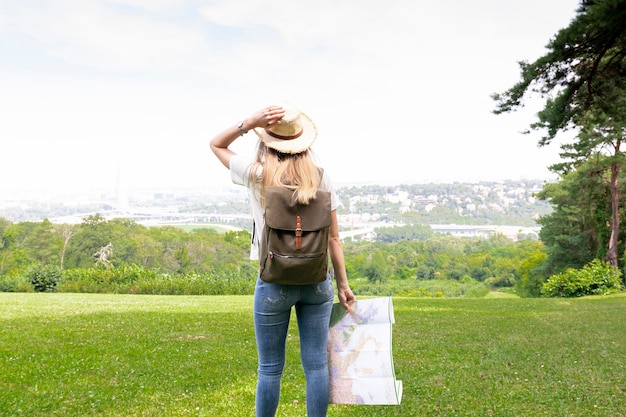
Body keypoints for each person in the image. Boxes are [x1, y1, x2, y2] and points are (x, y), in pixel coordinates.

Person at [210, 102, 356, 417]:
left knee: (270, 368)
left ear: (266, 142)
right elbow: (333, 237)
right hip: (317, 283)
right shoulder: (321, 177)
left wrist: (248, 122)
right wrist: (343, 284)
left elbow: (216, 144)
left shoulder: (257, 174)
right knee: (316, 365)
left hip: (273, 282)